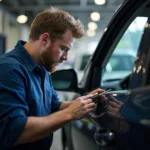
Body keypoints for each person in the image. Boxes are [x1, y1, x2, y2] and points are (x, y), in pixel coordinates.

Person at [0, 7, 104, 150]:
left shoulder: (42, 68)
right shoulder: (9, 69)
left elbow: (54, 106)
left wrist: (85, 102)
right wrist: (70, 113)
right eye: (63, 49)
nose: (65, 57)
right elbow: (15, 130)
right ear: (45, 39)